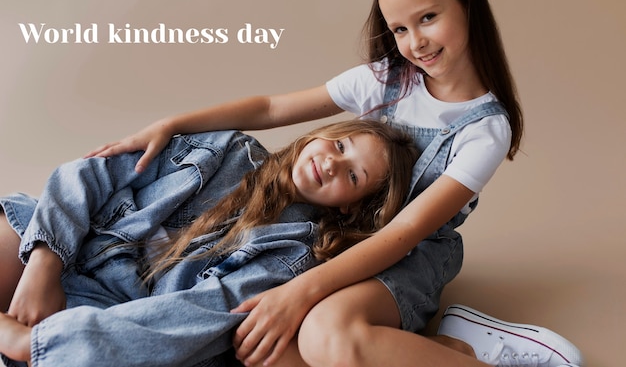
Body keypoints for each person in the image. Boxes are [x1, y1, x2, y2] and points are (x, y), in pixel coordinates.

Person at [83, 0, 585, 366]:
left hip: (409, 251)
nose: (416, 43)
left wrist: (298, 294)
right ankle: (438, 348)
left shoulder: (483, 129)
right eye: (401, 29)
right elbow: (272, 107)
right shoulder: (388, 78)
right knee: (261, 347)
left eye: (428, 18)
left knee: (325, 334)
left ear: (468, 5)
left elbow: (402, 234)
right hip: (339, 234)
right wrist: (170, 124)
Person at [0, 120, 419, 366]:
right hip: (73, 242)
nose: (331, 162)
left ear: (351, 208)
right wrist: (44, 264)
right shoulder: (225, 148)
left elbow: (193, 317)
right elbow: (91, 175)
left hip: (116, 311)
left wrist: (39, 344)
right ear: (322, 133)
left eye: (353, 175)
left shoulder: (297, 253)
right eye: (340, 144)